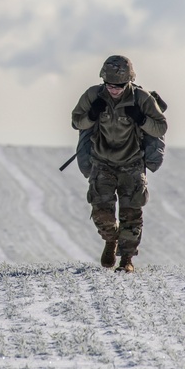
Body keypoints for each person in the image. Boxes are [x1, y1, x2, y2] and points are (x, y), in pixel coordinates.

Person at [71, 55, 167, 273]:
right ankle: (110, 239)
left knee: (131, 214)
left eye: (120, 86)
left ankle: (126, 260)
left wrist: (142, 119)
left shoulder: (141, 99)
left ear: (130, 81)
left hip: (132, 163)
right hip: (102, 162)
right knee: (101, 212)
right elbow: (77, 121)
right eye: (111, 85)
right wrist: (92, 115)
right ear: (104, 81)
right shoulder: (93, 95)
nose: (115, 90)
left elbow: (160, 127)